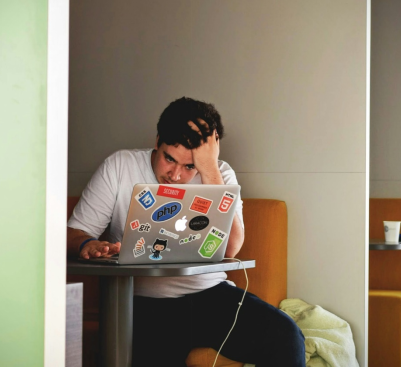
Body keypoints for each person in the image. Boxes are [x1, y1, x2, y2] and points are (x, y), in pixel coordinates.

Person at [66, 97, 306, 367]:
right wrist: (87, 243)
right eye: (169, 159)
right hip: (143, 302)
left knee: (286, 335)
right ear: (157, 141)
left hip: (210, 295)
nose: (176, 175)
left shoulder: (219, 173)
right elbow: (74, 233)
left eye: (189, 166)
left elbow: (231, 248)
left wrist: (209, 170)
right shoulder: (119, 166)